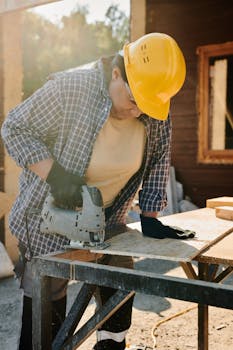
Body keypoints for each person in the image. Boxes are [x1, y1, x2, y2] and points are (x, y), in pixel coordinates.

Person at [1, 32, 194, 350]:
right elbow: (14, 127)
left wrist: (151, 218)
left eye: (144, 107)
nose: (137, 112)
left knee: (119, 293)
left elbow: (159, 161)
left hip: (110, 221)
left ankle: (111, 345)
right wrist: (57, 176)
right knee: (46, 317)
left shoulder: (152, 106)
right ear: (116, 73)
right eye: (133, 101)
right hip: (49, 218)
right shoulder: (72, 88)